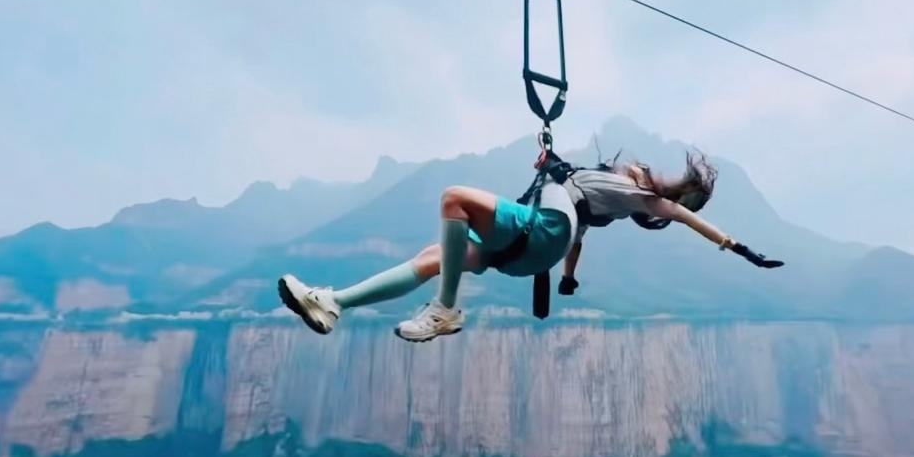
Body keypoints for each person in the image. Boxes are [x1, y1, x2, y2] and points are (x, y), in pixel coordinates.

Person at [277, 150, 783, 343]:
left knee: (453, 198)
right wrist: (566, 280)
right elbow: (576, 244)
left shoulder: (643, 199)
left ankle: (446, 311)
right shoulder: (601, 192)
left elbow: (686, 217)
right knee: (432, 258)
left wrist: (738, 248)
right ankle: (333, 304)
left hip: (541, 231)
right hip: (531, 252)